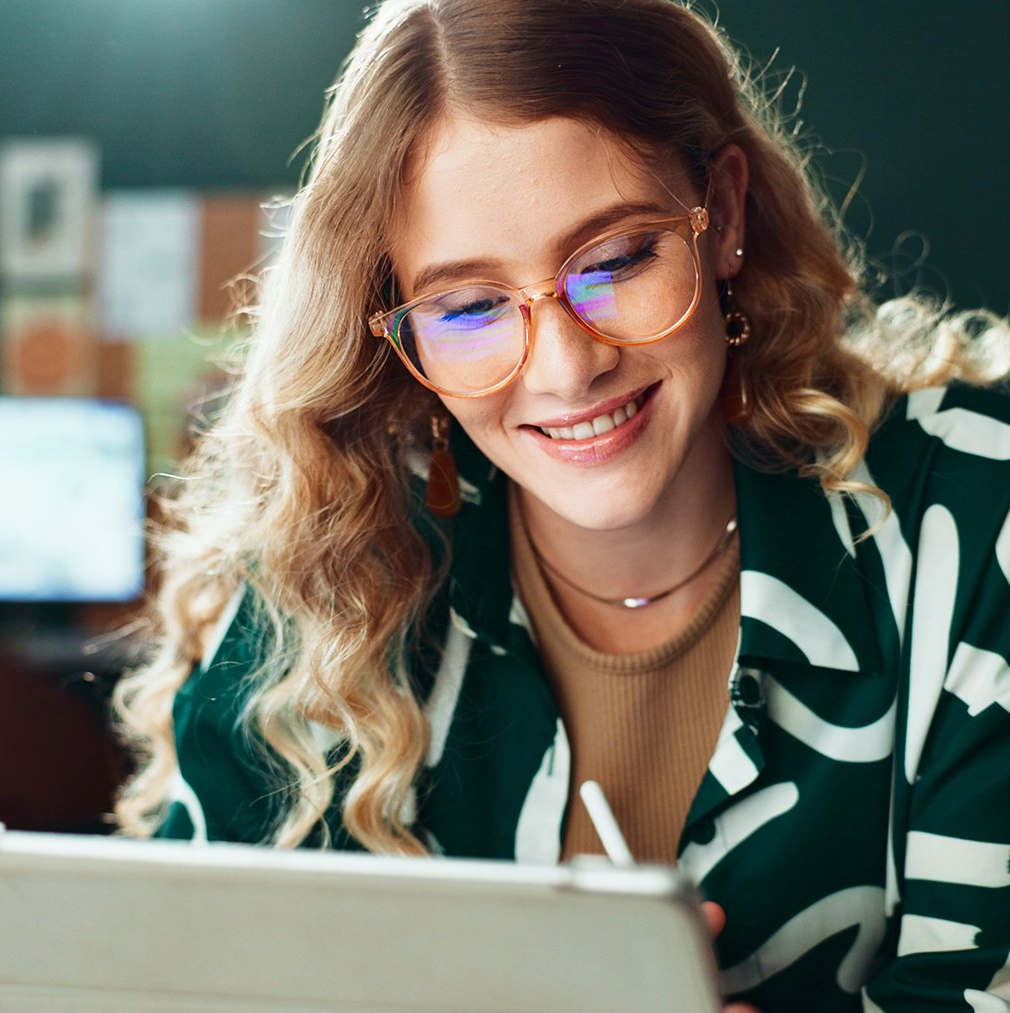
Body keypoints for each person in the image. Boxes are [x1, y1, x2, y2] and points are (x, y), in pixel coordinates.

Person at [113, 0, 1010, 1009]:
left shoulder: (975, 525)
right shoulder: (330, 568)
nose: (568, 365)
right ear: (394, 328)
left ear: (724, 212)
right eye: (466, 305)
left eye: (616, 259)